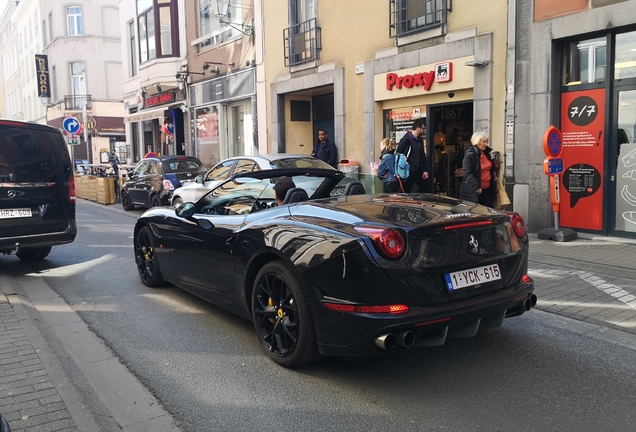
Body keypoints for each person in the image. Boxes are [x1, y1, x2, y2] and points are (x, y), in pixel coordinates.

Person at [460, 132, 498, 207]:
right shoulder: (470, 155)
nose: (486, 144)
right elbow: (467, 173)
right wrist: (477, 186)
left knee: (488, 214)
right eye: (483, 142)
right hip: (474, 192)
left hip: (487, 190)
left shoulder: (486, 153)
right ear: (477, 141)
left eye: (487, 142)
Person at [397, 119, 430, 193]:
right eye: (423, 128)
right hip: (408, 171)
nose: (424, 130)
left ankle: (417, 200)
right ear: (418, 128)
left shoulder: (420, 140)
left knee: (426, 185)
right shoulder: (406, 139)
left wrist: (425, 170)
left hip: (418, 170)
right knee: (407, 190)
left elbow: (422, 156)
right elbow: (399, 153)